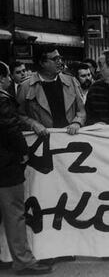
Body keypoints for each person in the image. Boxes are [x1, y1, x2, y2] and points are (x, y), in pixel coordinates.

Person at [0, 61, 53, 275]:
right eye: (7, 77)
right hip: (5, 166)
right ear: (2, 78)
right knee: (14, 213)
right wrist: (23, 152)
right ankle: (23, 260)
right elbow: (11, 129)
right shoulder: (3, 100)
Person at [17, 45, 85, 136]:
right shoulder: (26, 86)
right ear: (42, 63)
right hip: (43, 141)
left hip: (70, 138)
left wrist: (77, 122)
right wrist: (33, 124)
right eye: (55, 59)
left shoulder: (71, 81)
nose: (60, 62)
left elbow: (81, 110)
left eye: (60, 58)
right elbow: (19, 115)